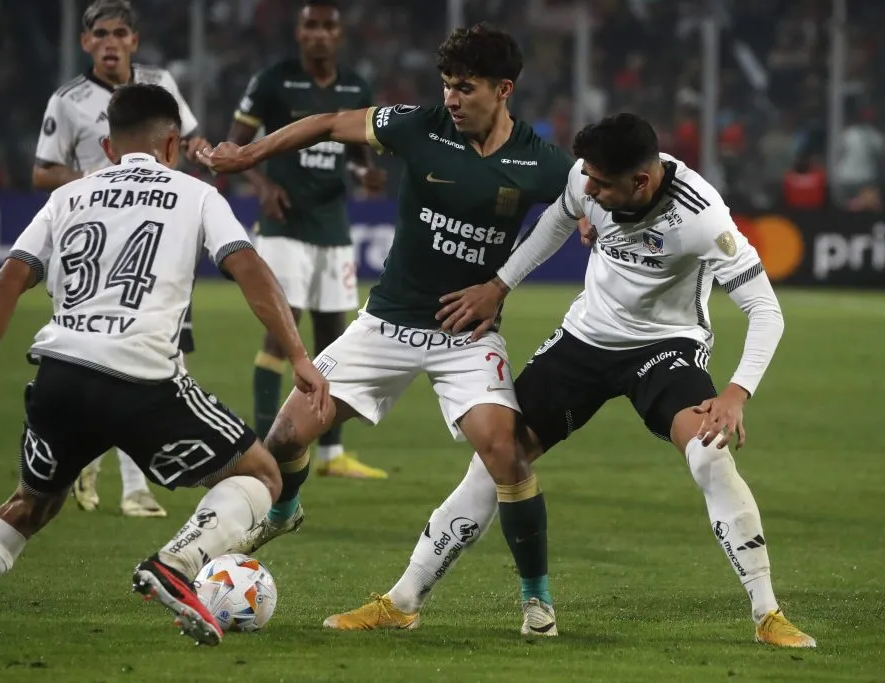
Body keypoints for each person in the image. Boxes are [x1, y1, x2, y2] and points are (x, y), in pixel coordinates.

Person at [323, 114, 816, 648]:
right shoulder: (590, 181)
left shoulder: (701, 218)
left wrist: (736, 393)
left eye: (602, 184)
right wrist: (500, 285)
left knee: (709, 454)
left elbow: (766, 311)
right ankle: (402, 603)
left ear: (641, 183)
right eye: (589, 179)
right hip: (585, 339)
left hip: (665, 346)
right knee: (497, 461)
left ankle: (768, 614)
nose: (589, 188)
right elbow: (557, 220)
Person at [0, 83, 331, 659]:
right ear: (174, 143)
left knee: (31, 502)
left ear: (107, 146)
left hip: (59, 373)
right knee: (261, 474)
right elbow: (249, 269)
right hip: (141, 379)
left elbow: (8, 279)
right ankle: (176, 564)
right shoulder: (195, 194)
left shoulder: (69, 196)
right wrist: (299, 356)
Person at [202, 23, 572, 635]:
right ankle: (287, 510)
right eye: (447, 85)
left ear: (504, 89)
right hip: (386, 324)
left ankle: (537, 600)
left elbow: (589, 199)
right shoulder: (419, 125)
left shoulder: (540, 161)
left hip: (467, 338)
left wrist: (545, 252)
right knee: (288, 435)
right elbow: (325, 123)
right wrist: (246, 155)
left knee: (506, 456)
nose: (452, 99)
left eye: (467, 88)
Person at [32, 0, 209, 518]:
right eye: (100, 34)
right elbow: (44, 172)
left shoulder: (159, 84)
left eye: (120, 33)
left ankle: (130, 483)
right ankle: (98, 469)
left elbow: (186, 140)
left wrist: (203, 155)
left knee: (164, 353)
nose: (111, 42)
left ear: (134, 40)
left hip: (155, 242)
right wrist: (97, 181)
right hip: (94, 247)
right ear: (86, 42)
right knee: (99, 356)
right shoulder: (67, 101)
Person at [229, 0, 388, 479]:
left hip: (331, 225)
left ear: (339, 35)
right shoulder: (273, 81)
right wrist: (263, 187)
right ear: (298, 33)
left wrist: (367, 174)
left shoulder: (356, 86)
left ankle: (330, 455)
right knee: (283, 331)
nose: (319, 34)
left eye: (328, 27)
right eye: (311, 26)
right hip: (284, 226)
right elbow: (236, 146)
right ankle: (260, 449)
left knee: (331, 336)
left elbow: (360, 156)